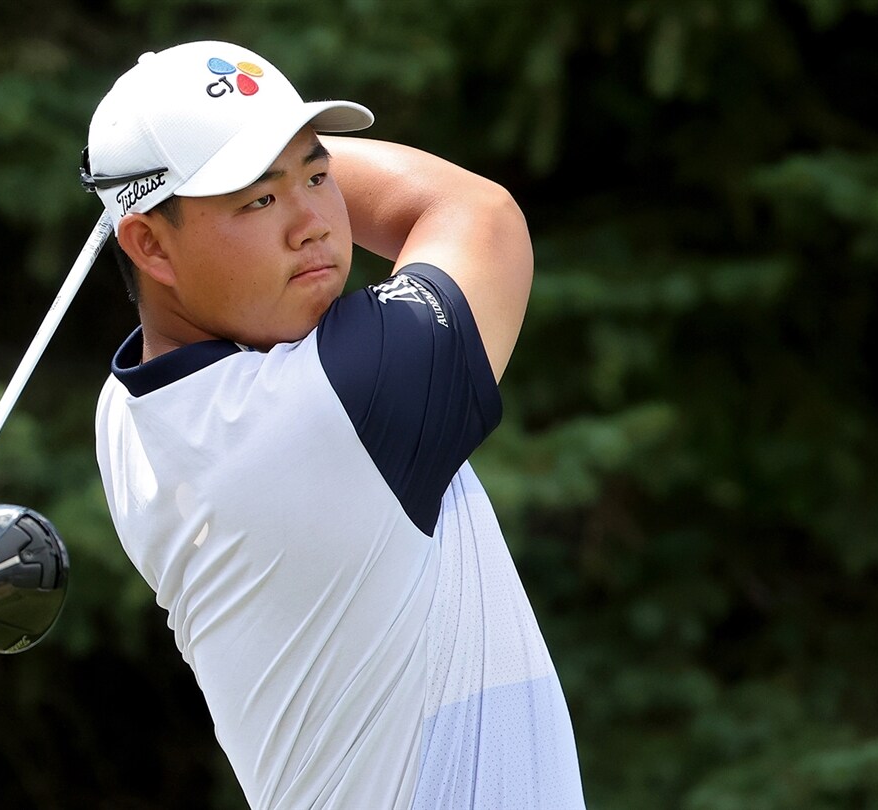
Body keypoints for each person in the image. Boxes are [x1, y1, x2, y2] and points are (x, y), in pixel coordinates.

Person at [87, 40, 586, 809]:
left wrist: (244, 148)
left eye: (318, 178)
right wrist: (291, 147)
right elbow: (476, 213)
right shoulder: (337, 402)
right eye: (258, 200)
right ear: (148, 243)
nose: (313, 225)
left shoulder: (127, 412)